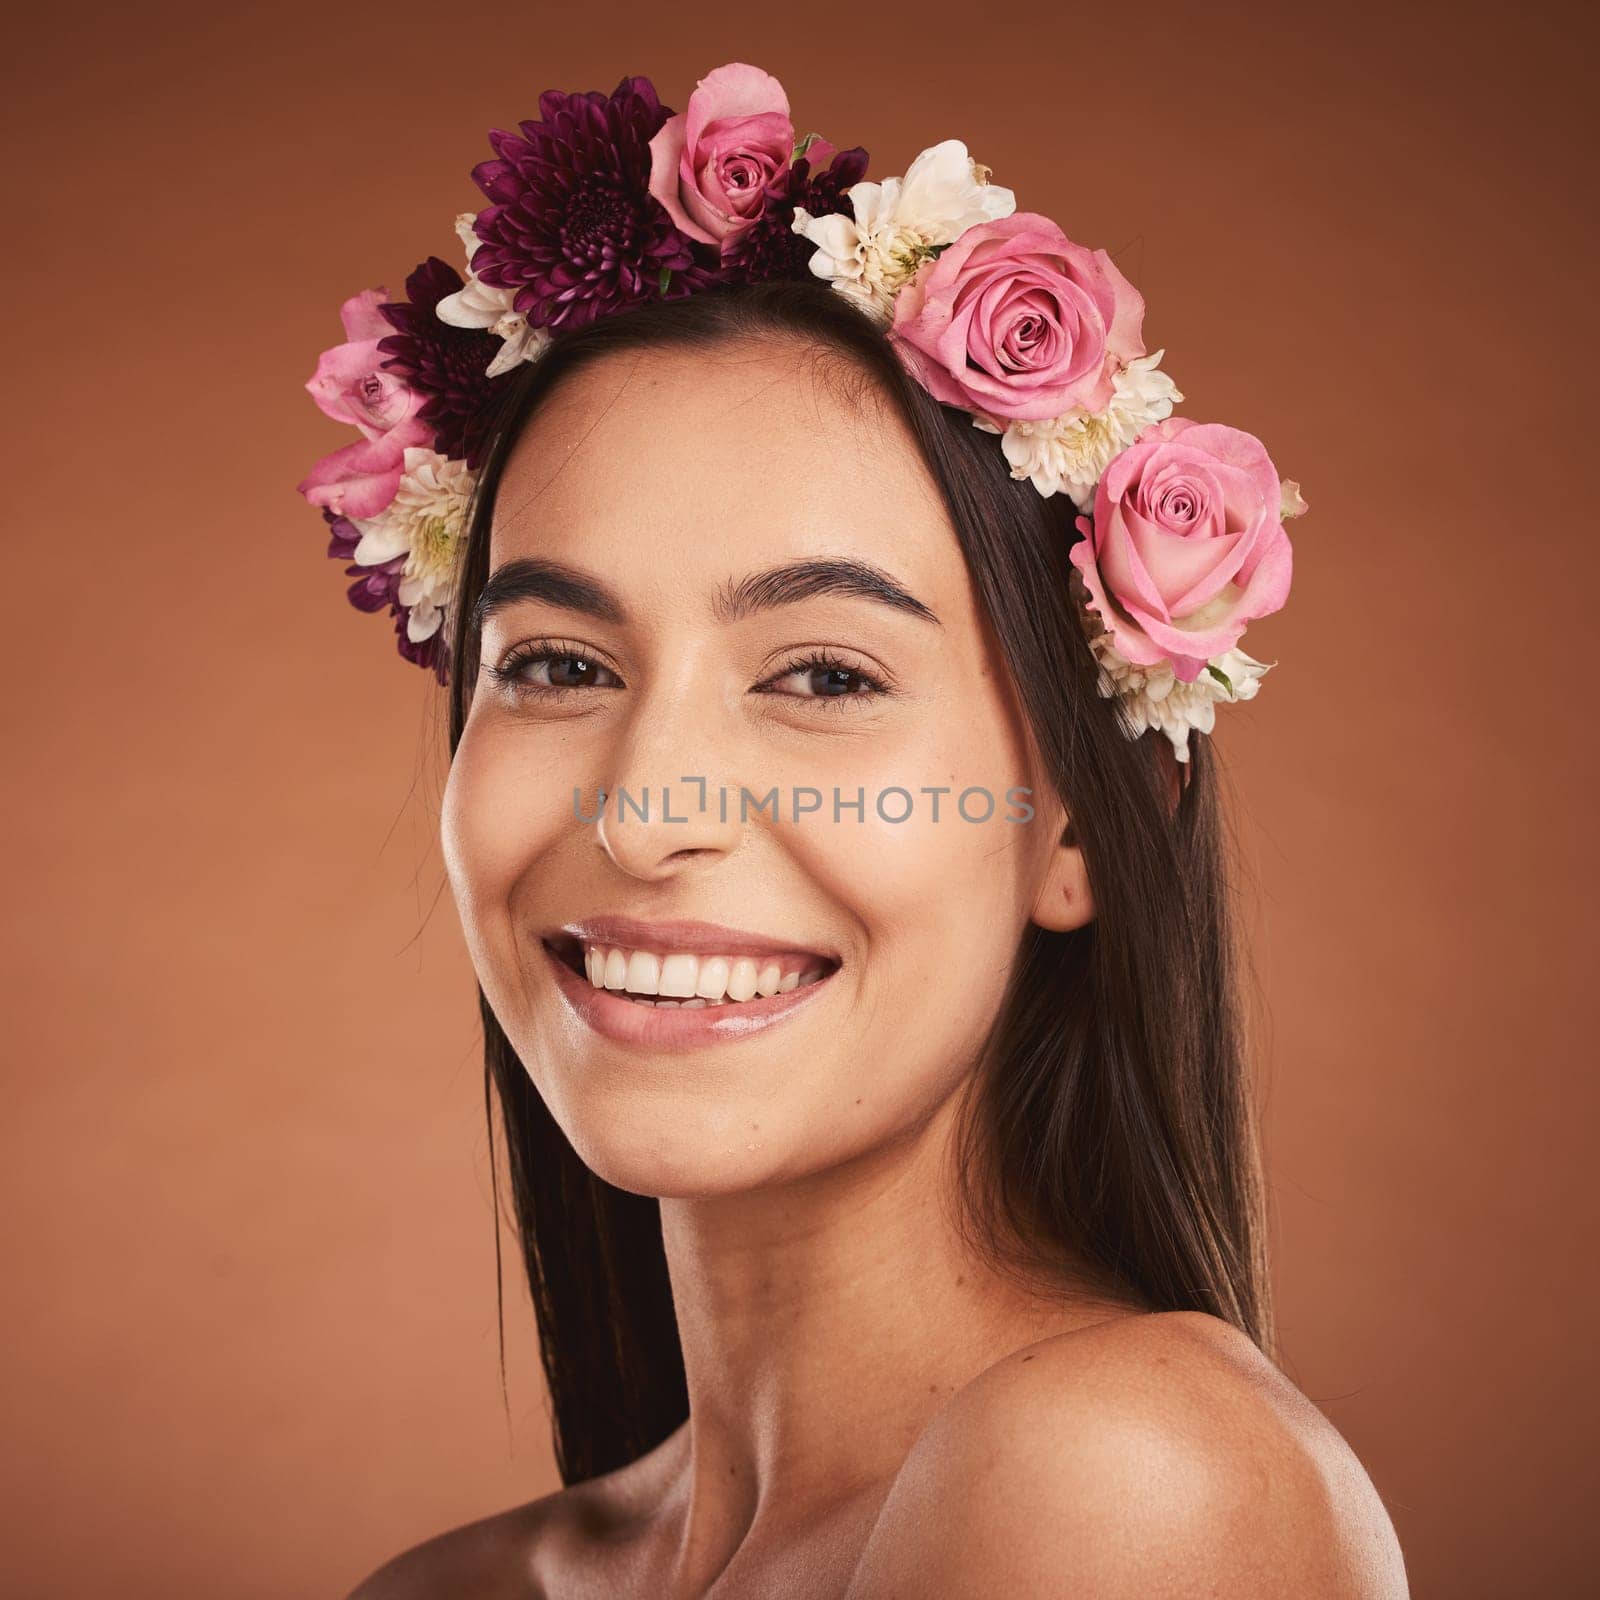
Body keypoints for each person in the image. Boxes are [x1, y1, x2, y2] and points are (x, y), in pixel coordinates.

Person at [299, 63, 1408, 1599]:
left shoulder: (1131, 1486)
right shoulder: (450, 1589)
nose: (644, 812)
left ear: (1084, 825)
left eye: (824, 673)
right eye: (558, 665)